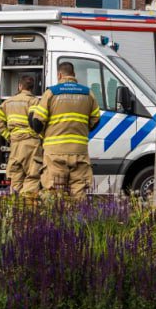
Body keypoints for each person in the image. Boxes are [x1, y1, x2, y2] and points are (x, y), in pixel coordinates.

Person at [28, 61, 101, 203]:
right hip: (79, 151)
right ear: (73, 75)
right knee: (79, 194)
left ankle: (58, 223)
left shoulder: (51, 93)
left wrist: (44, 134)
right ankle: (77, 222)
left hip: (55, 153)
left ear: (60, 75)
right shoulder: (88, 93)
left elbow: (37, 123)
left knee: (55, 195)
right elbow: (95, 120)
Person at [0, 76, 40, 204]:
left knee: (16, 177)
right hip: (31, 144)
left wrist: (8, 136)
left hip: (15, 144)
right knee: (32, 175)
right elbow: (35, 121)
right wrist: (35, 135)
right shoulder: (34, 101)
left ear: (20, 86)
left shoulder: (8, 102)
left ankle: (15, 208)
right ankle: (28, 207)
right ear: (32, 88)